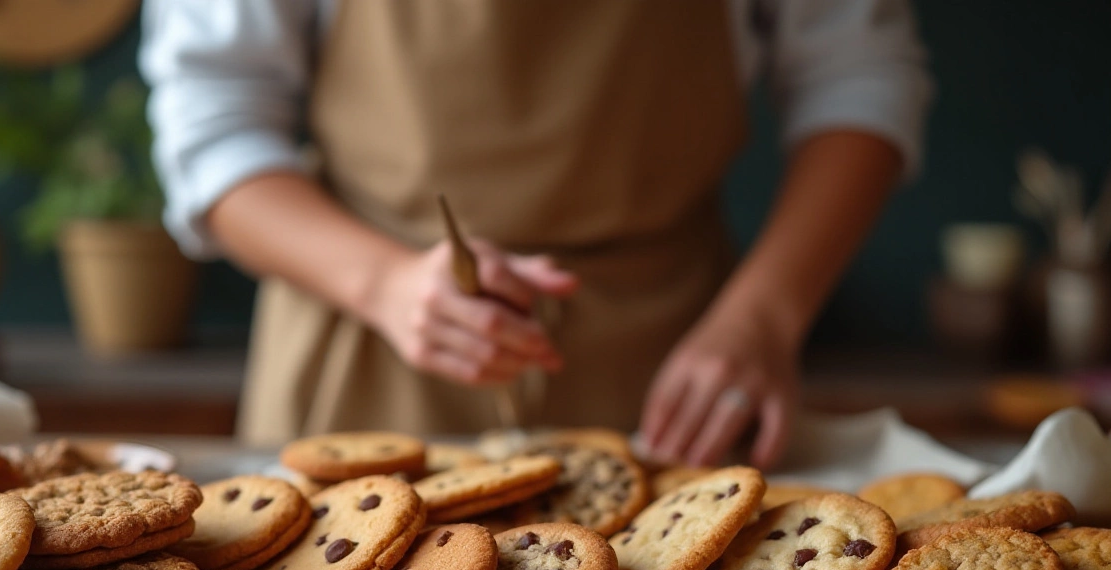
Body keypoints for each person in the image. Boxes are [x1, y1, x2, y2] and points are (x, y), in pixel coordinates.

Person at [140, 0, 932, 469]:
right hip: (363, 358)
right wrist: (384, 284)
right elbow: (215, 126)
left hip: (679, 374)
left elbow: (859, 79)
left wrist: (763, 317)